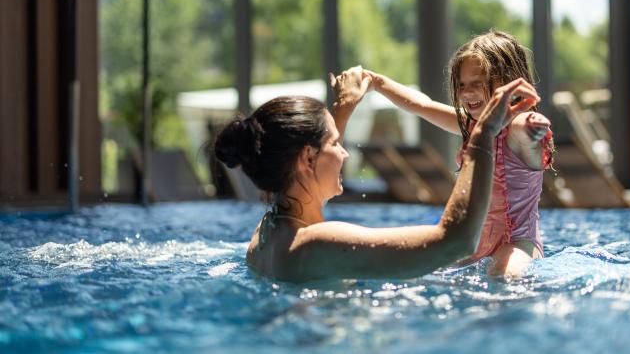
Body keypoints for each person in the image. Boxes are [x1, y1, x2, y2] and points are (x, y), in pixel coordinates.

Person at [214, 66, 541, 283]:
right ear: (307, 159)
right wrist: (483, 134)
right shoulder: (320, 244)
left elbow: (303, 185)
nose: (343, 151)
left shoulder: (267, 231)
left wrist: (342, 108)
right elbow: (456, 242)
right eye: (334, 143)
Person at [363, 31, 554, 277]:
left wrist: (532, 124)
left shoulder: (516, 129)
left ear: (508, 81)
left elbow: (523, 127)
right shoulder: (473, 126)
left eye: (477, 82)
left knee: (504, 275)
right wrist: (377, 82)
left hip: (517, 242)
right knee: (423, 271)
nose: (466, 93)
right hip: (474, 242)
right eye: (462, 85)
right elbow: (423, 105)